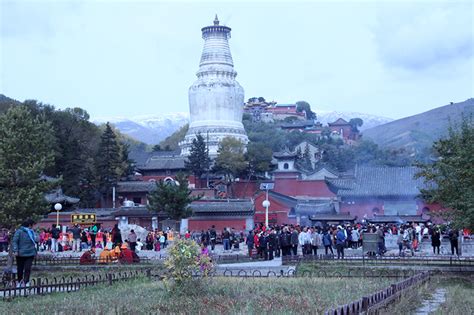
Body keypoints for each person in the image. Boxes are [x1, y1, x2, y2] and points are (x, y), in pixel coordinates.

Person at [12, 219, 38, 286]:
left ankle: (26, 281)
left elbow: (37, 240)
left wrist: (35, 234)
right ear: (30, 225)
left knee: (28, 268)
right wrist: (16, 250)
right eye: (33, 225)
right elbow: (15, 241)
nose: (33, 227)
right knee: (20, 268)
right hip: (20, 253)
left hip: (30, 253)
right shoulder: (19, 232)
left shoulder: (32, 232)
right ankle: (20, 281)